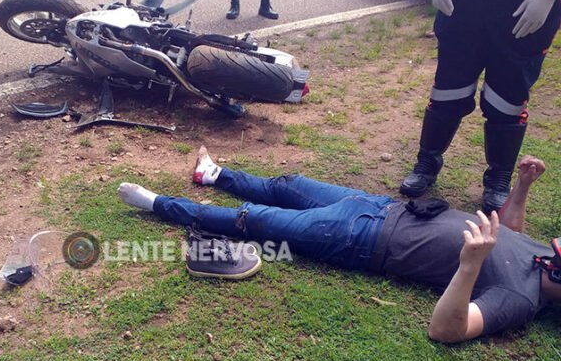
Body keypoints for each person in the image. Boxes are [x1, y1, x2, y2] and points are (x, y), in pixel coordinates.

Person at [117, 147, 560, 344]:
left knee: (252, 220)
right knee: (287, 184)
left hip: (362, 238)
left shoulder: (519, 300)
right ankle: (212, 174)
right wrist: (521, 188)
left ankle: (158, 204)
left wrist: (469, 265)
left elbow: (446, 330)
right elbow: (511, 234)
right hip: (385, 207)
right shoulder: (542, 255)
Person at [400, 0, 561, 213]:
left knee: (508, 99)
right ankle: (427, 161)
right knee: (448, 90)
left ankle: (499, 177)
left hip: (526, 4)